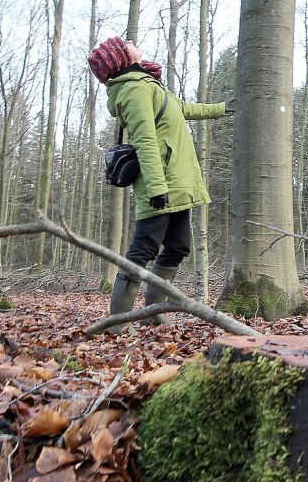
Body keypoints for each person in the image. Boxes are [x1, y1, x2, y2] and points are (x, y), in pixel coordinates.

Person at [87, 36, 230, 332]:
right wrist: (156, 188)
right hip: (161, 185)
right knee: (142, 250)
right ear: (121, 59)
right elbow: (145, 140)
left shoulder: (148, 84)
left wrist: (222, 108)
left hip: (177, 183)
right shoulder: (135, 89)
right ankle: (117, 321)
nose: (131, 41)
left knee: (178, 247)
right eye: (124, 43)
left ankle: (153, 311)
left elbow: (184, 108)